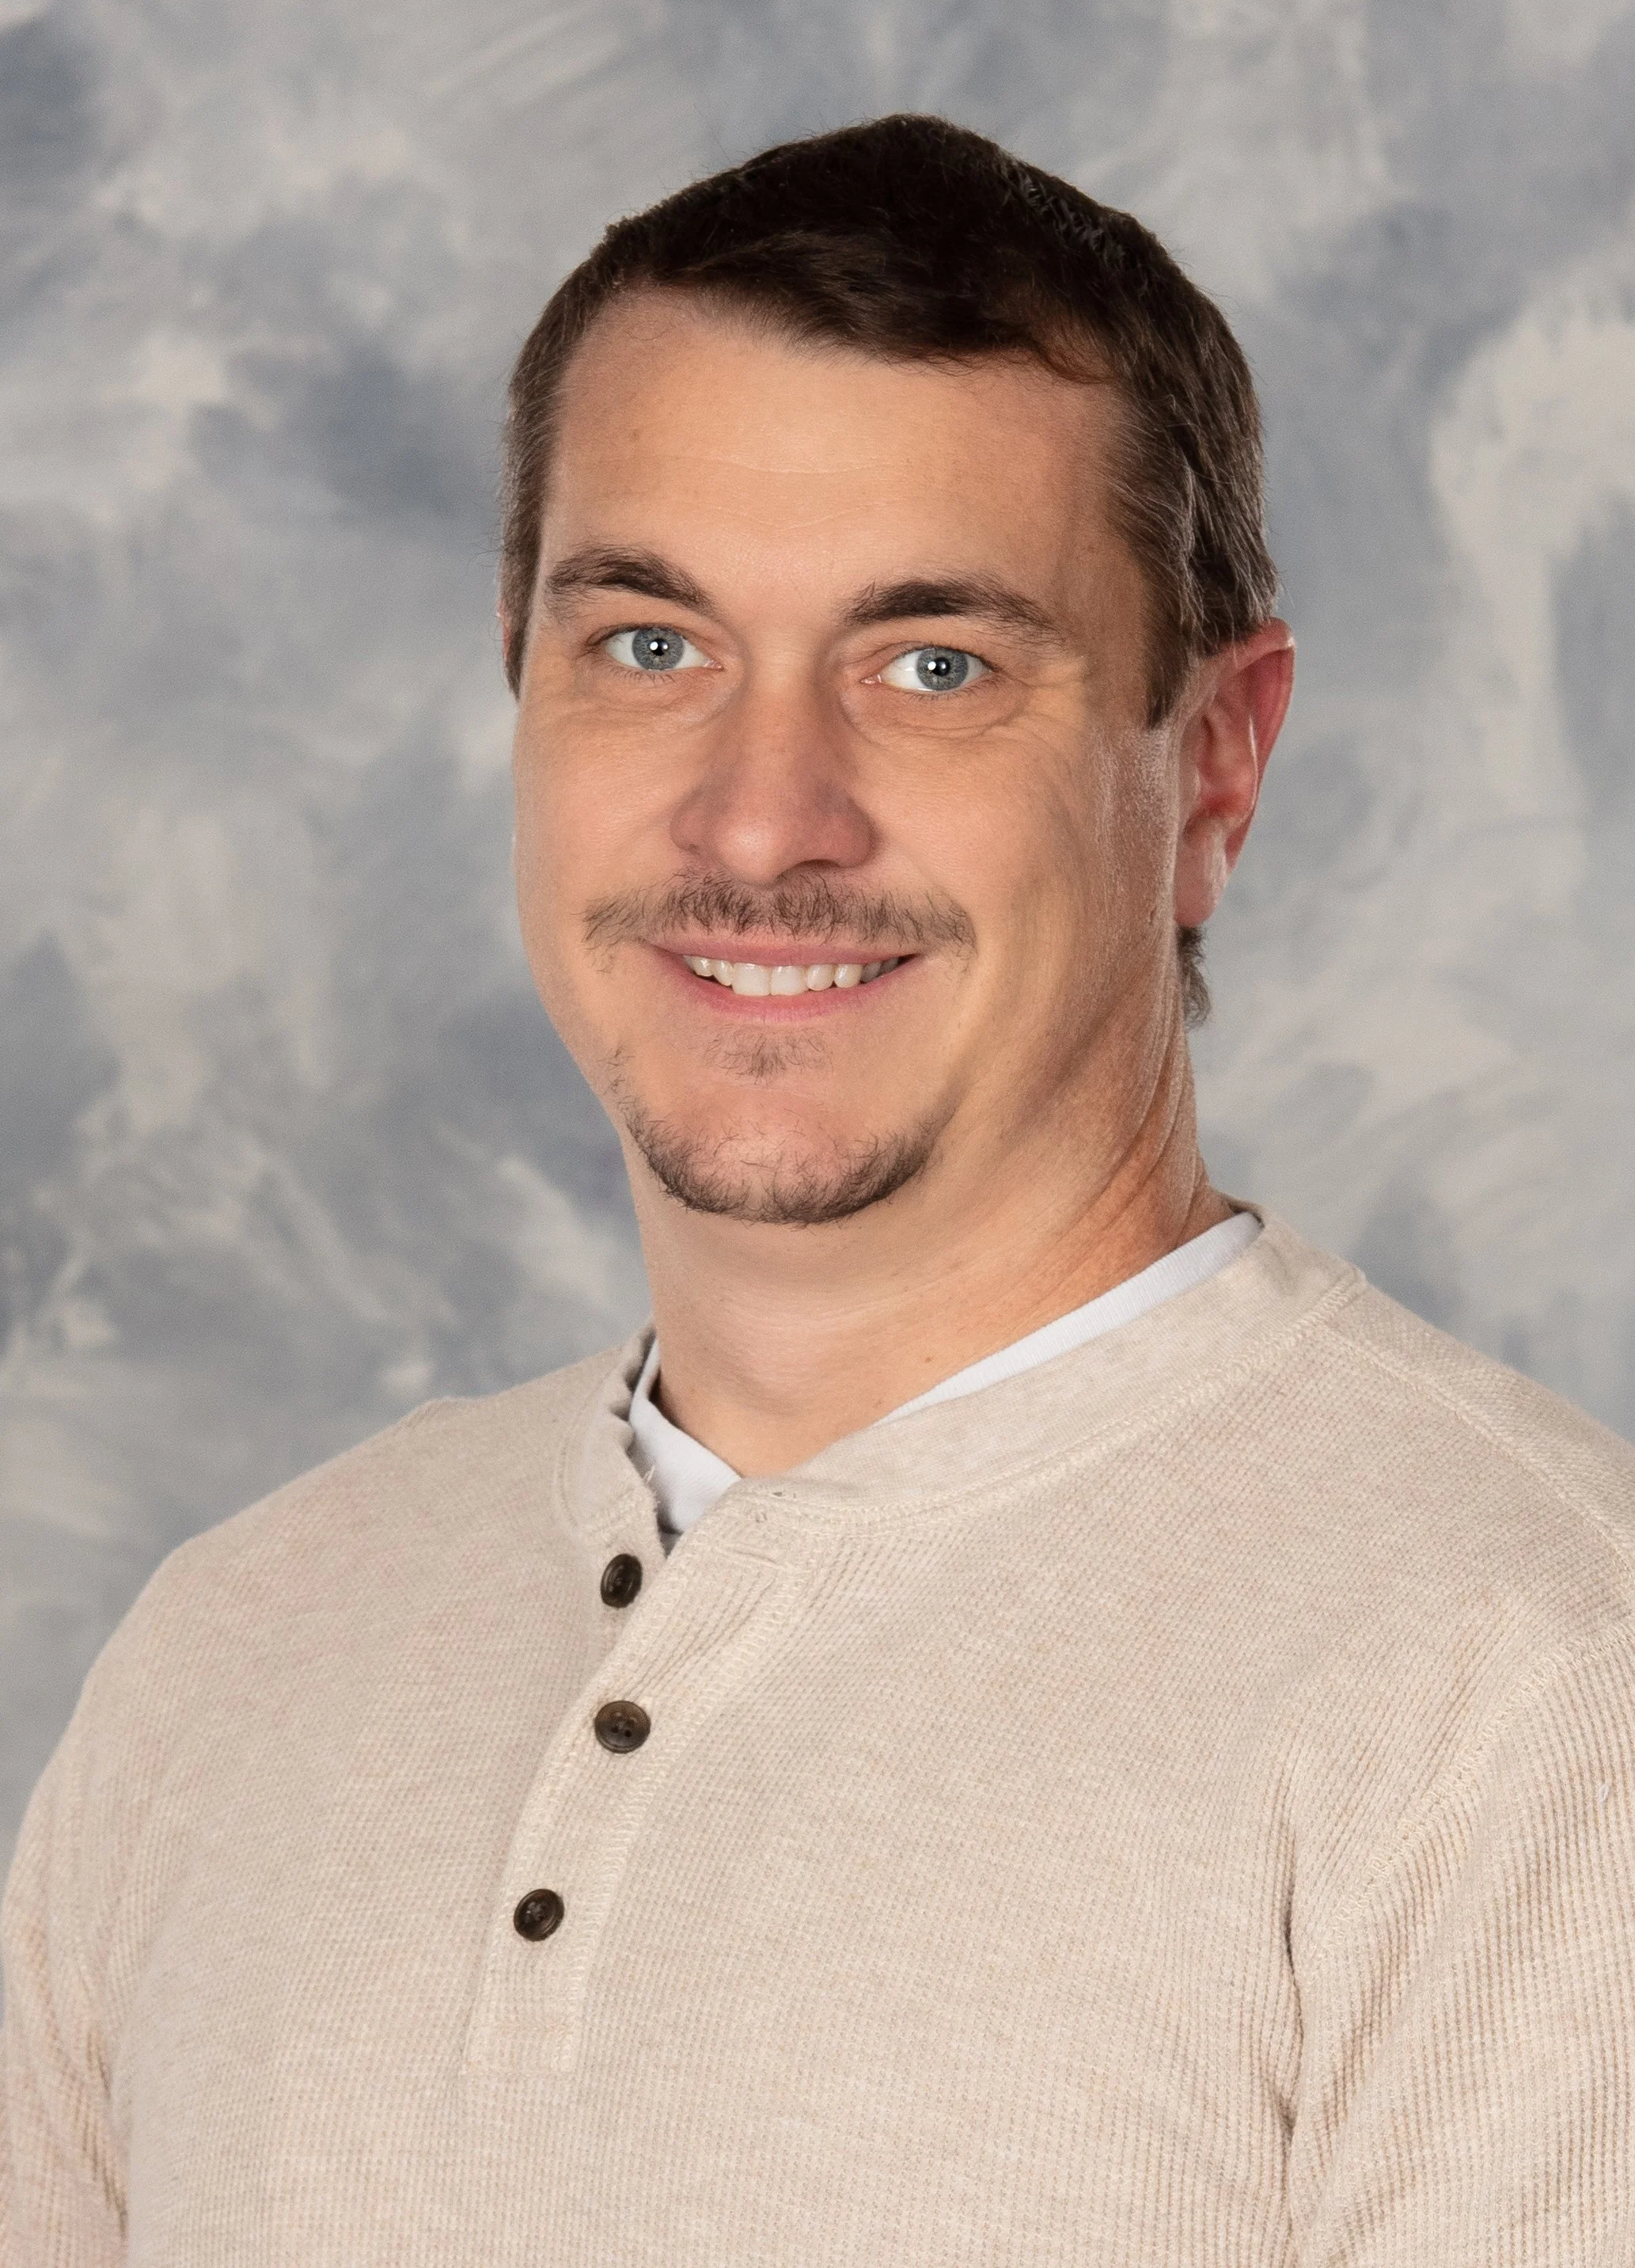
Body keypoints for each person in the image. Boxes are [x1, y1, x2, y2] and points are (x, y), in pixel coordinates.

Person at [4, 114, 1633, 2267]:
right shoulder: (234, 1653)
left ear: (1215, 765)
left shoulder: (1537, 1700)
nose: (764, 817)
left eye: (933, 665)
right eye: (650, 646)